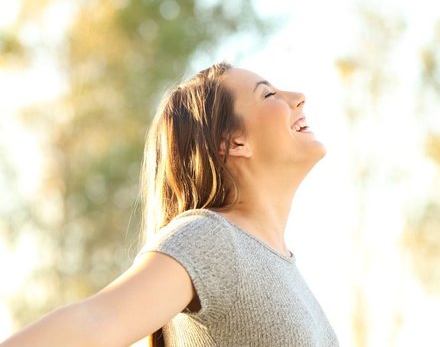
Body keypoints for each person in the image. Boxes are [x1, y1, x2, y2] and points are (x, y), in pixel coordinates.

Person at [0, 61, 339, 347]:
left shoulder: (282, 267)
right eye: (268, 94)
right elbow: (97, 319)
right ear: (233, 142)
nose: (298, 98)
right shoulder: (213, 240)